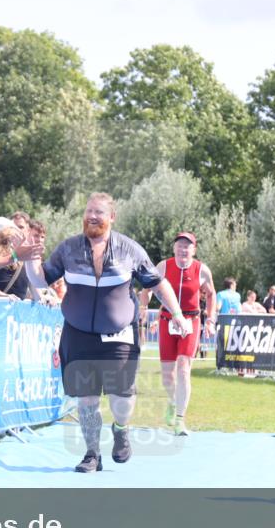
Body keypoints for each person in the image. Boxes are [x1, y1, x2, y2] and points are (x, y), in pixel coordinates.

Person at [25, 192, 192, 473]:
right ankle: (92, 454)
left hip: (119, 335)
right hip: (78, 333)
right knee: (86, 399)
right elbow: (41, 280)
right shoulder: (68, 249)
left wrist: (177, 314)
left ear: (111, 217)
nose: (92, 216)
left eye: (99, 212)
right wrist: (30, 259)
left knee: (121, 398)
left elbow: (157, 282)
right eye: (89, 211)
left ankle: (121, 428)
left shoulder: (129, 249)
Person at [140, 232, 216, 435]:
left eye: (187, 246)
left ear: (194, 250)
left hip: (190, 322)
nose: (183, 249)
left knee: (183, 368)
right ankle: (173, 402)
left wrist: (210, 319)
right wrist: (143, 307)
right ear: (174, 248)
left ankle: (180, 420)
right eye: (179, 245)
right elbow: (147, 288)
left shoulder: (202, 270)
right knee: (167, 376)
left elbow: (211, 294)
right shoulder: (163, 266)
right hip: (167, 321)